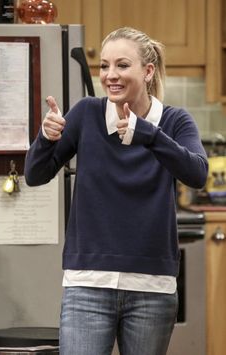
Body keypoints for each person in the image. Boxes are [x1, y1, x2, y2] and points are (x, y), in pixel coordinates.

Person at [24, 27, 208, 355]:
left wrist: (148, 135)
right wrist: (45, 137)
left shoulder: (175, 121)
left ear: (148, 71)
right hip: (87, 285)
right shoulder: (86, 114)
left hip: (152, 289)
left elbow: (197, 174)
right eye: (105, 66)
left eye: (122, 65)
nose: (110, 75)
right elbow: (35, 175)